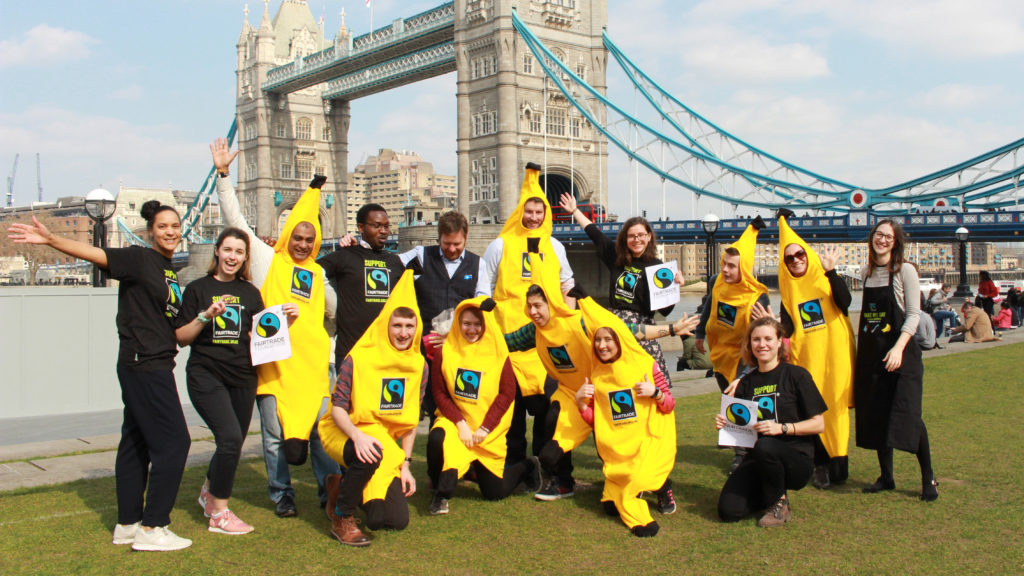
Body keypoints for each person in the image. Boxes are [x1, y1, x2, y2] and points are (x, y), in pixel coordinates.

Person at [8, 201, 193, 551]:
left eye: (175, 225)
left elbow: (173, 327)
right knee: (175, 443)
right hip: (144, 363)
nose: (170, 231)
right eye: (163, 226)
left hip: (152, 361)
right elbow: (97, 254)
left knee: (135, 442)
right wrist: (52, 240)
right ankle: (153, 528)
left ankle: (127, 524)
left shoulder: (168, 270)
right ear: (150, 231)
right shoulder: (139, 259)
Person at [517, 253, 696, 502]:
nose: (534, 312)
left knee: (620, 435)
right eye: (530, 307)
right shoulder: (533, 331)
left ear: (553, 304)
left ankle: (650, 482)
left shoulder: (579, 322)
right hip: (575, 392)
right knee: (553, 419)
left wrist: (671, 329)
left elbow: (627, 332)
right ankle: (562, 481)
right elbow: (504, 342)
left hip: (606, 385)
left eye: (539, 305)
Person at [475, 163, 574, 489]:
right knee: (512, 415)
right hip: (507, 344)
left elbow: (567, 288)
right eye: (528, 211)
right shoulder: (499, 246)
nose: (533, 217)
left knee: (549, 412)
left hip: (545, 345)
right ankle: (517, 468)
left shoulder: (556, 247)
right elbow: (482, 289)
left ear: (546, 215)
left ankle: (550, 469)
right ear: (520, 212)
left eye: (539, 211)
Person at [175, 228, 272, 535]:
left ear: (245, 258)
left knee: (232, 442)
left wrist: (283, 321)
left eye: (239, 252)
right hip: (207, 374)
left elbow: (263, 336)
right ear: (217, 251)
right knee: (230, 439)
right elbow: (181, 338)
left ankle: (208, 490)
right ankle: (219, 513)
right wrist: (205, 316)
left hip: (243, 376)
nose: (232, 257)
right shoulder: (196, 290)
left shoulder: (251, 292)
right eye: (227, 250)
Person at [318, 271, 427, 546]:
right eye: (397, 325)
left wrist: (406, 465)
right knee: (370, 453)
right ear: (385, 326)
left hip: (382, 444)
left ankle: (340, 487)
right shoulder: (360, 357)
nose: (403, 333)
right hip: (345, 431)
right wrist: (357, 436)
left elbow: (411, 420)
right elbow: (337, 409)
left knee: (391, 520)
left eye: (409, 326)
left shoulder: (419, 366)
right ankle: (342, 517)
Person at [254, 177, 341, 518]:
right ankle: (282, 496)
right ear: (287, 235)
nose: (303, 245)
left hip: (314, 368)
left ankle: (329, 492)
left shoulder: (318, 273)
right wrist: (223, 177)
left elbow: (335, 310)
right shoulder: (268, 263)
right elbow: (236, 224)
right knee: (274, 437)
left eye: (309, 239)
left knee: (322, 435)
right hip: (276, 367)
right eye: (297, 238)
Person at [426, 298, 540, 515]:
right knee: (437, 438)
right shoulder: (444, 352)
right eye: (466, 323)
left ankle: (529, 466)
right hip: (456, 424)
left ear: (486, 325)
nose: (472, 329)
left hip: (486, 430)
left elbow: (507, 394)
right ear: (458, 324)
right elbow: (440, 394)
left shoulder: (498, 354)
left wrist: (485, 428)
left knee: (495, 492)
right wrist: (460, 424)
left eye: (477, 324)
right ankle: (440, 489)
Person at [574, 298, 677, 538]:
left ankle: (662, 487)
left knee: (639, 480)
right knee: (610, 507)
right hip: (620, 452)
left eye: (608, 339)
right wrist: (580, 404)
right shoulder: (596, 375)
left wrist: (655, 393)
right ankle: (635, 486)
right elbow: (597, 423)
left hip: (647, 444)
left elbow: (669, 405)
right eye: (597, 340)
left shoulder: (645, 365)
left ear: (619, 339)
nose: (602, 345)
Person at [854, 219, 938, 502]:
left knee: (908, 414)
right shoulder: (865, 272)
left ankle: (929, 477)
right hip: (872, 354)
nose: (883, 240)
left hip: (901, 353)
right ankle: (886, 477)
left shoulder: (906, 271)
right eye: (879, 234)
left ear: (896, 242)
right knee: (877, 413)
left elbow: (914, 314)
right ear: (872, 237)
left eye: (889, 237)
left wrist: (899, 349)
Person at [714, 317, 827, 527]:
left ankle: (779, 503)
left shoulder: (797, 375)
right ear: (750, 344)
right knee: (728, 511)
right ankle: (768, 494)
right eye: (756, 339)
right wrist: (726, 425)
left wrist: (783, 428)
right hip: (759, 458)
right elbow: (744, 431)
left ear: (779, 342)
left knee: (766, 444)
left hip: (796, 460)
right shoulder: (746, 383)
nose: (762, 344)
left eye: (768, 338)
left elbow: (819, 424)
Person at [769, 212, 854, 488]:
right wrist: (773, 327)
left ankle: (839, 462)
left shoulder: (825, 277)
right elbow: (788, 329)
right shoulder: (788, 292)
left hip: (836, 356)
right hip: (808, 360)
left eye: (800, 255)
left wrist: (832, 272)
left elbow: (845, 302)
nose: (796, 260)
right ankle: (821, 465)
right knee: (812, 408)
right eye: (789, 259)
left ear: (808, 255)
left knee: (837, 408)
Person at [558, 193, 682, 377]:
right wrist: (575, 211)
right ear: (625, 239)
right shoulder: (617, 258)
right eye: (631, 236)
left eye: (641, 235)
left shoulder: (658, 268)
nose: (636, 239)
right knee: (613, 378)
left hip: (641, 331)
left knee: (647, 381)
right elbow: (594, 233)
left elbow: (665, 311)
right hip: (614, 326)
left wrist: (674, 286)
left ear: (649, 237)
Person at [695, 218, 770, 473]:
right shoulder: (717, 281)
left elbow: (768, 330)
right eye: (724, 264)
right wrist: (699, 334)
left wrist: (767, 322)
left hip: (743, 355)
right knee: (727, 395)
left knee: (740, 399)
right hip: (720, 353)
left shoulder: (757, 295)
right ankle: (733, 433)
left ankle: (741, 455)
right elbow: (708, 308)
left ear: (744, 269)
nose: (725, 270)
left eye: (731, 266)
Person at [399, 210, 481, 420]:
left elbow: (482, 304)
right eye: (446, 244)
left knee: (460, 409)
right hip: (423, 351)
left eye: (457, 244)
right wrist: (360, 249)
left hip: (462, 350)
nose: (452, 249)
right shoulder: (420, 256)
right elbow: (389, 265)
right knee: (422, 410)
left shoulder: (478, 264)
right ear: (439, 238)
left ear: (466, 237)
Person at [318, 203, 406, 369]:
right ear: (360, 227)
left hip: (386, 352)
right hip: (350, 353)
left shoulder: (395, 261)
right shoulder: (344, 256)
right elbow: (310, 271)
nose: (384, 231)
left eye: (387, 226)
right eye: (377, 226)